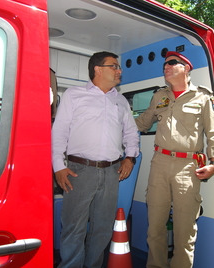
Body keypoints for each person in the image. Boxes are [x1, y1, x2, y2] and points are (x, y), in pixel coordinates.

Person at [135, 51, 214, 268]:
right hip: (160, 163)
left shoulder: (203, 97)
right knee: (155, 227)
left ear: (186, 68)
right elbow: (143, 123)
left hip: (188, 167)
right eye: (164, 64)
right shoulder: (159, 96)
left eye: (172, 63)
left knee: (185, 230)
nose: (166, 66)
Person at [52, 51, 140, 268]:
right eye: (114, 66)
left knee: (102, 228)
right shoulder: (74, 94)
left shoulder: (120, 101)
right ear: (98, 69)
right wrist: (58, 167)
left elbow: (131, 133)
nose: (119, 71)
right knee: (74, 228)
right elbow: (59, 132)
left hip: (112, 173)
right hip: (78, 171)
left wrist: (130, 158)